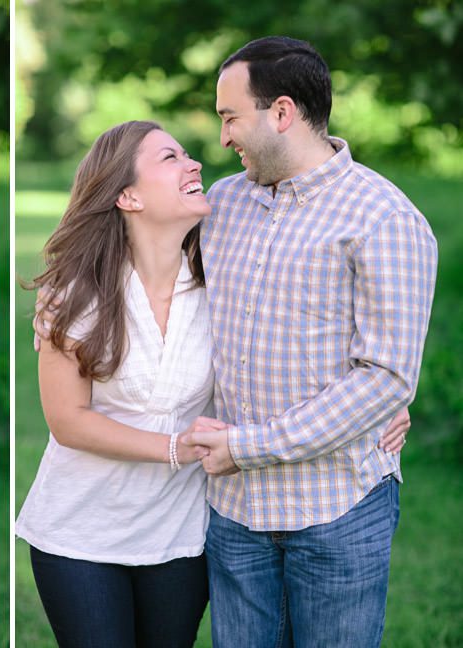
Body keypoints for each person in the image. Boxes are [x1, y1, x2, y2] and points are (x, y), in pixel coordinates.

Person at [178, 36, 437, 647]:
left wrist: (249, 445)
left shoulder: (384, 220)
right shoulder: (222, 203)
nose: (223, 138)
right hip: (235, 512)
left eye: (230, 117)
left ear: (283, 113)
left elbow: (385, 377)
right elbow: (153, 287)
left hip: (337, 509)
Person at [16, 120, 224, 648]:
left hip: (179, 535)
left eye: (186, 154)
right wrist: (175, 447)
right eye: (170, 158)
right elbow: (68, 422)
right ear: (127, 196)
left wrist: (379, 400)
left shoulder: (220, 284)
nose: (194, 162)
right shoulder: (74, 293)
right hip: (79, 534)